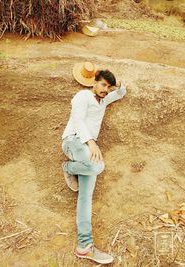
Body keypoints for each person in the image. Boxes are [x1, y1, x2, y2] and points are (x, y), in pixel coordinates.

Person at [61, 62, 127, 264]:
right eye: (103, 84)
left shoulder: (103, 101)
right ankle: (68, 167)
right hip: (74, 141)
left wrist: (121, 86)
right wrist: (90, 143)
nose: (105, 89)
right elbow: (78, 120)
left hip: (88, 148)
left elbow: (120, 93)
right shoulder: (82, 96)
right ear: (94, 82)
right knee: (98, 166)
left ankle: (84, 247)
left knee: (85, 197)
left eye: (108, 87)